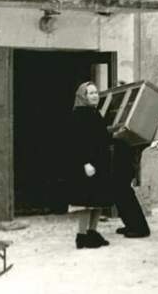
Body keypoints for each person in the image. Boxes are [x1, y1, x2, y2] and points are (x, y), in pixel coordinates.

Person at [67, 81, 112, 249]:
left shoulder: (95, 113)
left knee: (98, 199)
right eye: (91, 93)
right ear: (83, 96)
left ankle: (93, 232)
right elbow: (77, 142)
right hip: (88, 164)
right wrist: (85, 162)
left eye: (96, 92)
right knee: (86, 202)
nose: (95, 96)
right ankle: (82, 235)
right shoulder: (79, 115)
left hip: (99, 162)